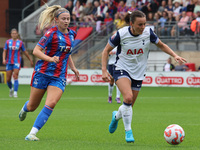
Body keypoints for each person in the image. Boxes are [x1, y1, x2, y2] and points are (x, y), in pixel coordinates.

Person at [101, 10, 187, 143]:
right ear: (131, 24)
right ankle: (128, 131)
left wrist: (174, 55)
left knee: (128, 105)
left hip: (139, 72)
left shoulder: (148, 33)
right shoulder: (121, 34)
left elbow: (161, 45)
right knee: (128, 98)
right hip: (121, 68)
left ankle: (116, 116)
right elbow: (105, 51)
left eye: (144, 24)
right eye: (140, 24)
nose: (143, 27)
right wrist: (103, 70)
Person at [18, 5, 79, 141]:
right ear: (56, 20)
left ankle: (32, 133)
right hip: (43, 73)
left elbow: (67, 53)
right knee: (32, 106)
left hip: (59, 76)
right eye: (63, 19)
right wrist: (50, 59)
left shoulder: (72, 34)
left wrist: (73, 67)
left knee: (51, 103)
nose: (66, 21)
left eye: (68, 19)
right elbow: (36, 51)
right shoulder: (50, 33)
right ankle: (24, 109)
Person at [2, 28, 33, 98]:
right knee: (8, 79)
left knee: (15, 76)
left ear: (17, 34)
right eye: (13, 33)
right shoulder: (7, 42)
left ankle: (15, 92)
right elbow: (4, 51)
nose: (14, 35)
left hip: (17, 62)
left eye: (15, 33)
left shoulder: (20, 43)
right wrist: (4, 59)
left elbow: (25, 52)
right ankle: (11, 89)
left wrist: (30, 60)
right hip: (9, 62)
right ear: (11, 34)